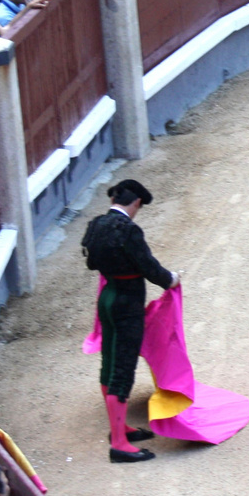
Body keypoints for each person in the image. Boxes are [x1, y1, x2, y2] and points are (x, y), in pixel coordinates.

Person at [81, 178, 179, 462]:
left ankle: (118, 428)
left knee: (109, 364)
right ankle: (119, 444)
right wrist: (171, 280)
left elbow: (91, 262)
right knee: (122, 370)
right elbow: (148, 267)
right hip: (127, 303)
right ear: (135, 203)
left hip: (107, 297)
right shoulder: (129, 230)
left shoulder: (95, 225)